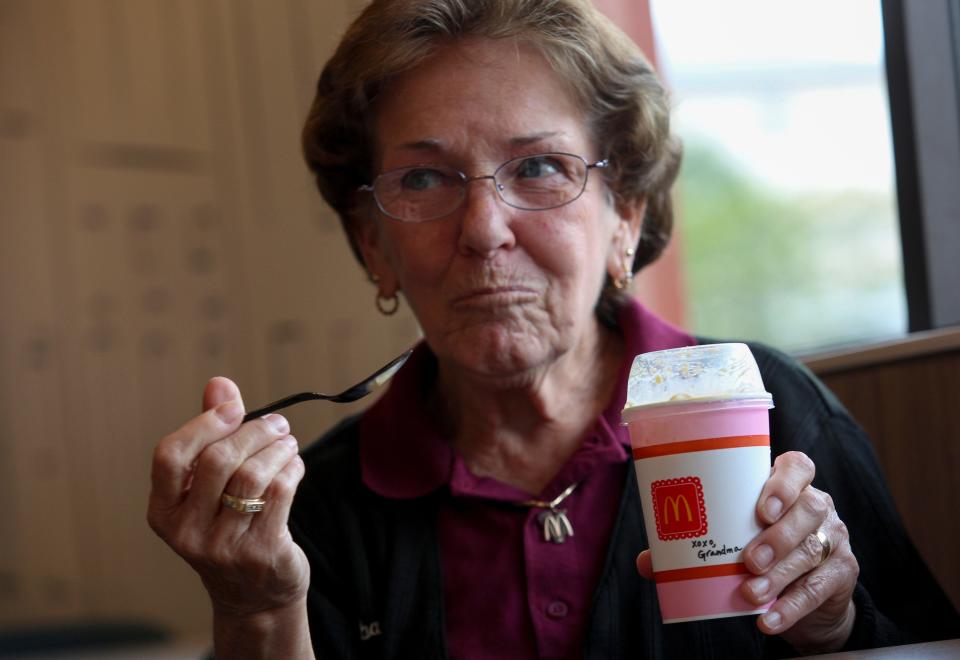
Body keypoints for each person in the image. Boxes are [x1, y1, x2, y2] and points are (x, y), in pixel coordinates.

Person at [146, 0, 959, 658]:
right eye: (424, 177)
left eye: (538, 166)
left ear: (624, 216)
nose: (484, 230)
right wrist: (255, 614)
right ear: (373, 244)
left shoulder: (772, 409)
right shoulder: (322, 506)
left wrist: (833, 629)